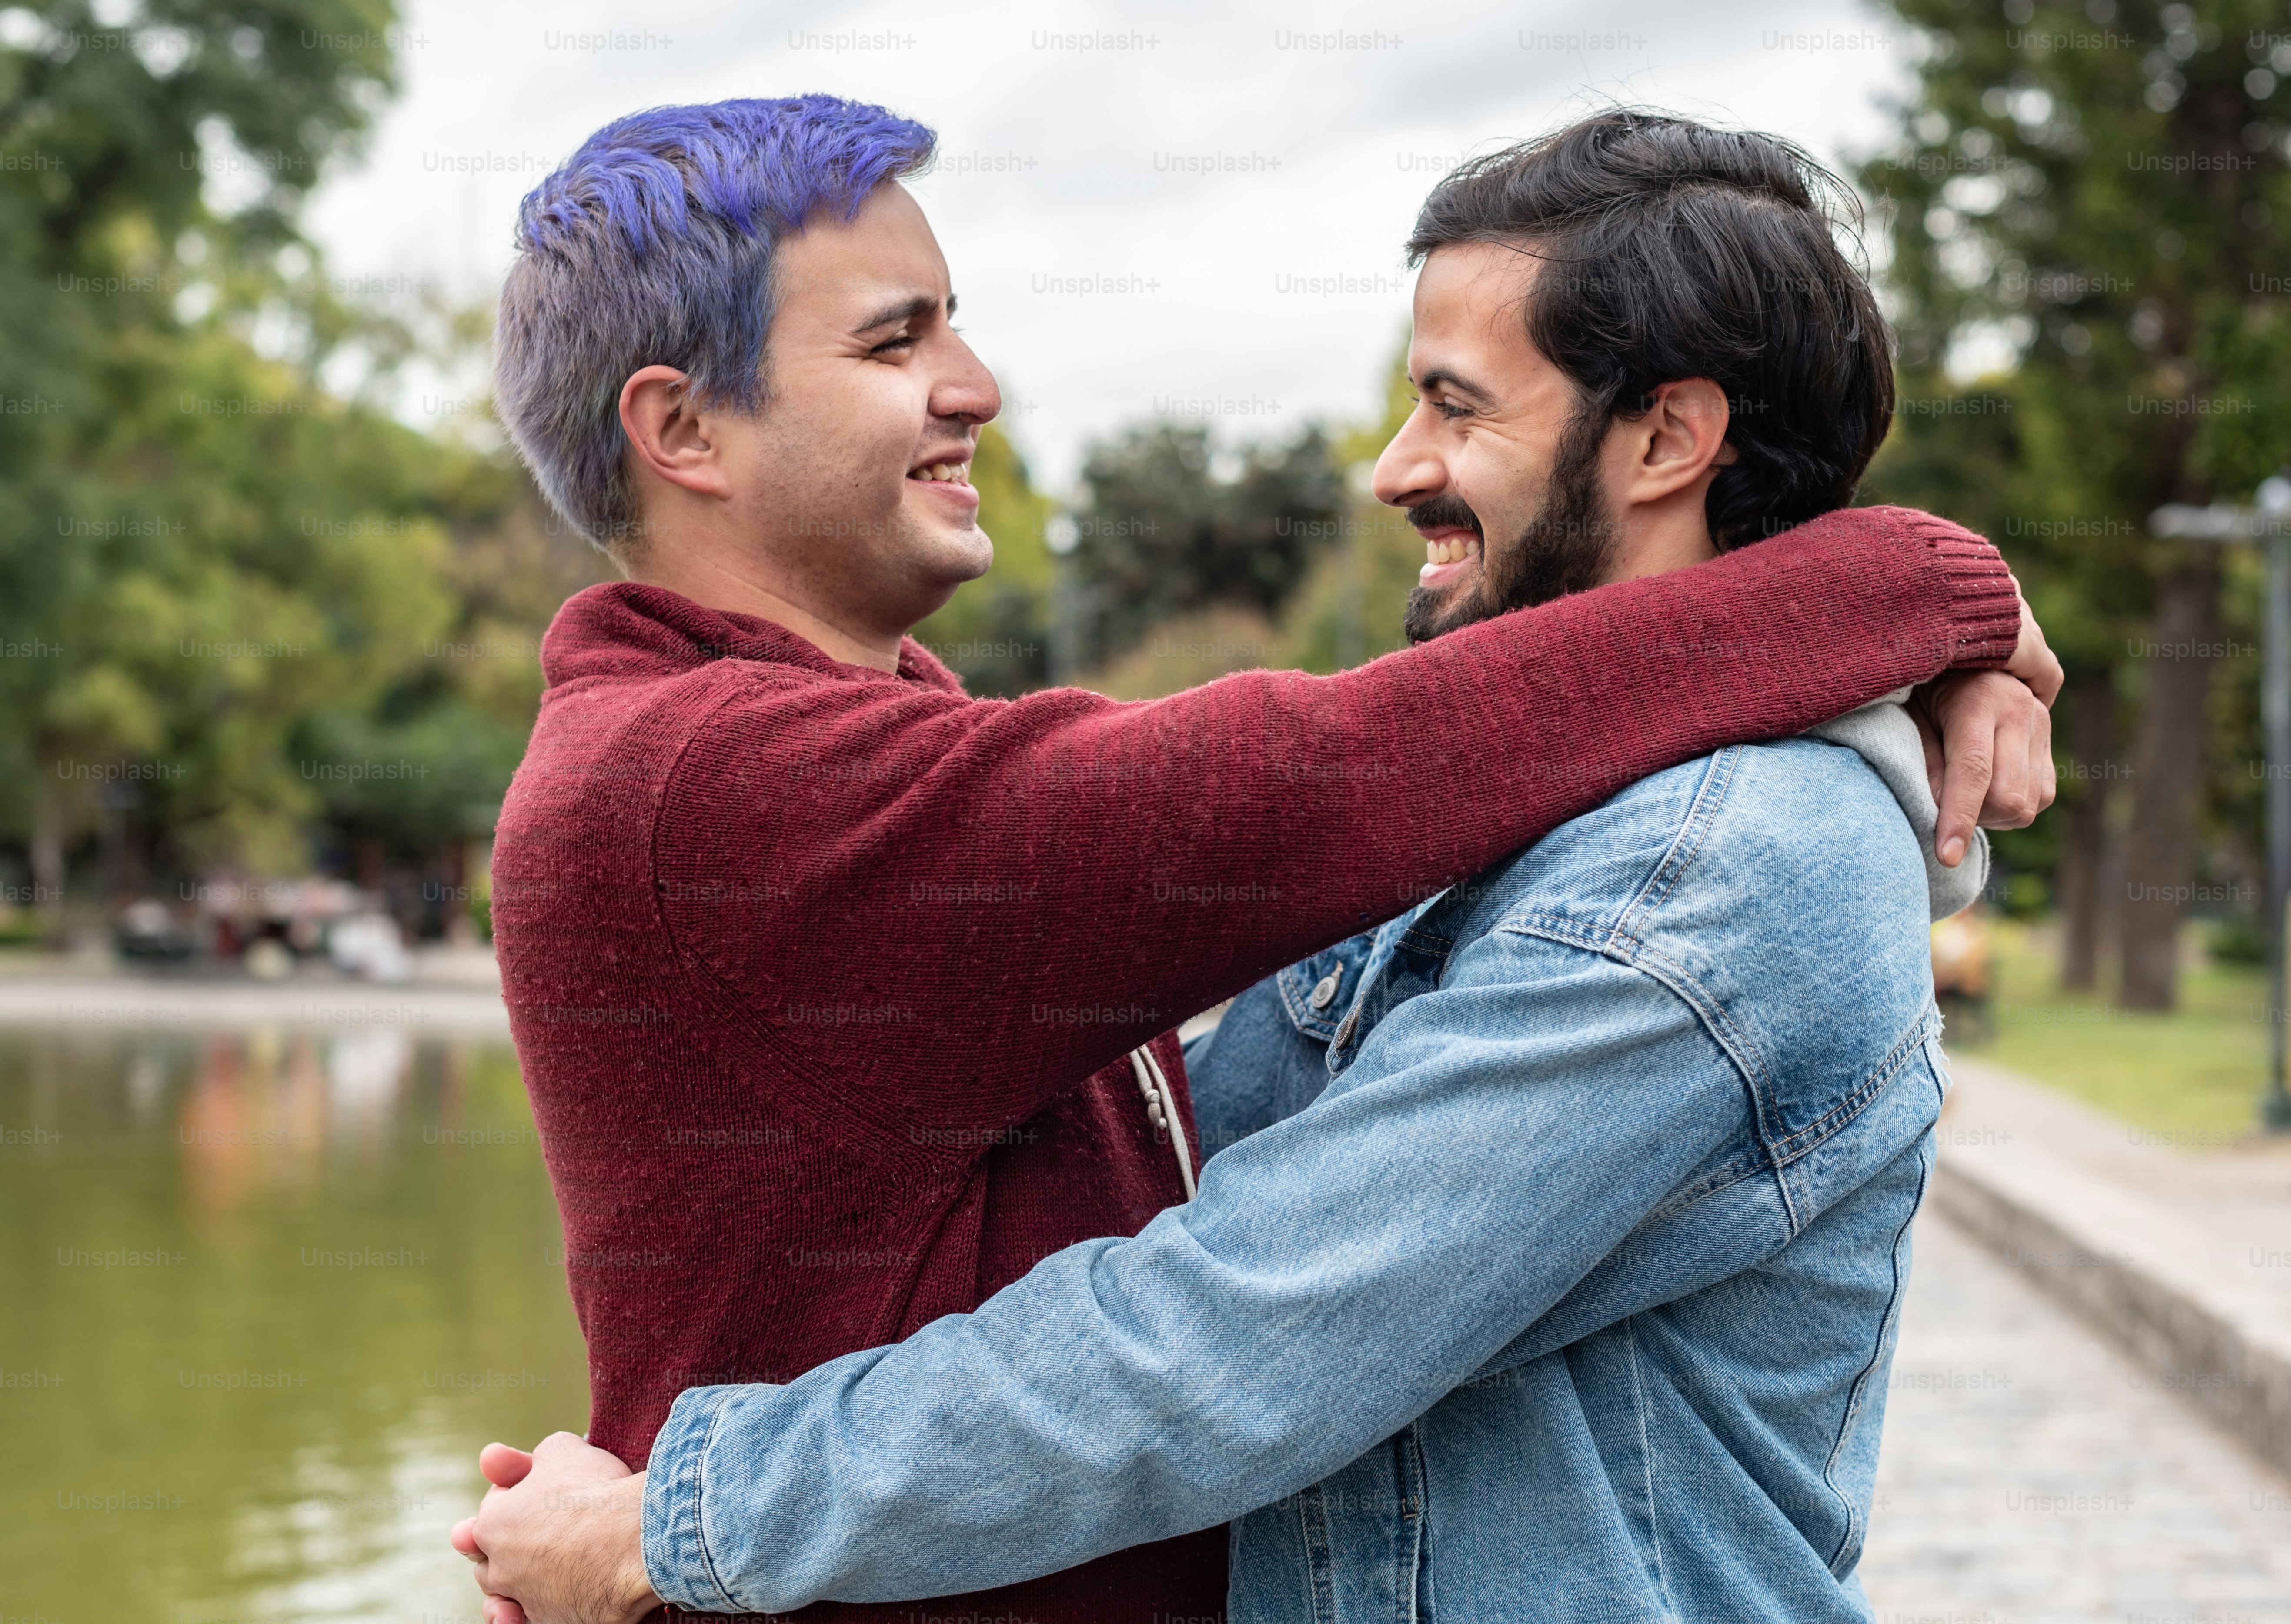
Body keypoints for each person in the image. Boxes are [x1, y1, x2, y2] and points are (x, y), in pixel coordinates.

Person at [462, 96, 2057, 1624]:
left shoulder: (1718, 856)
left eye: (1453, 403)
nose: (977, 384)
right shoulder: (711, 787)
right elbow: (1312, 781)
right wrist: (1908, 588)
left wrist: (678, 1517)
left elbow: (1234, 1324)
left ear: (1667, 443)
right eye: (898, 340)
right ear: (680, 429)